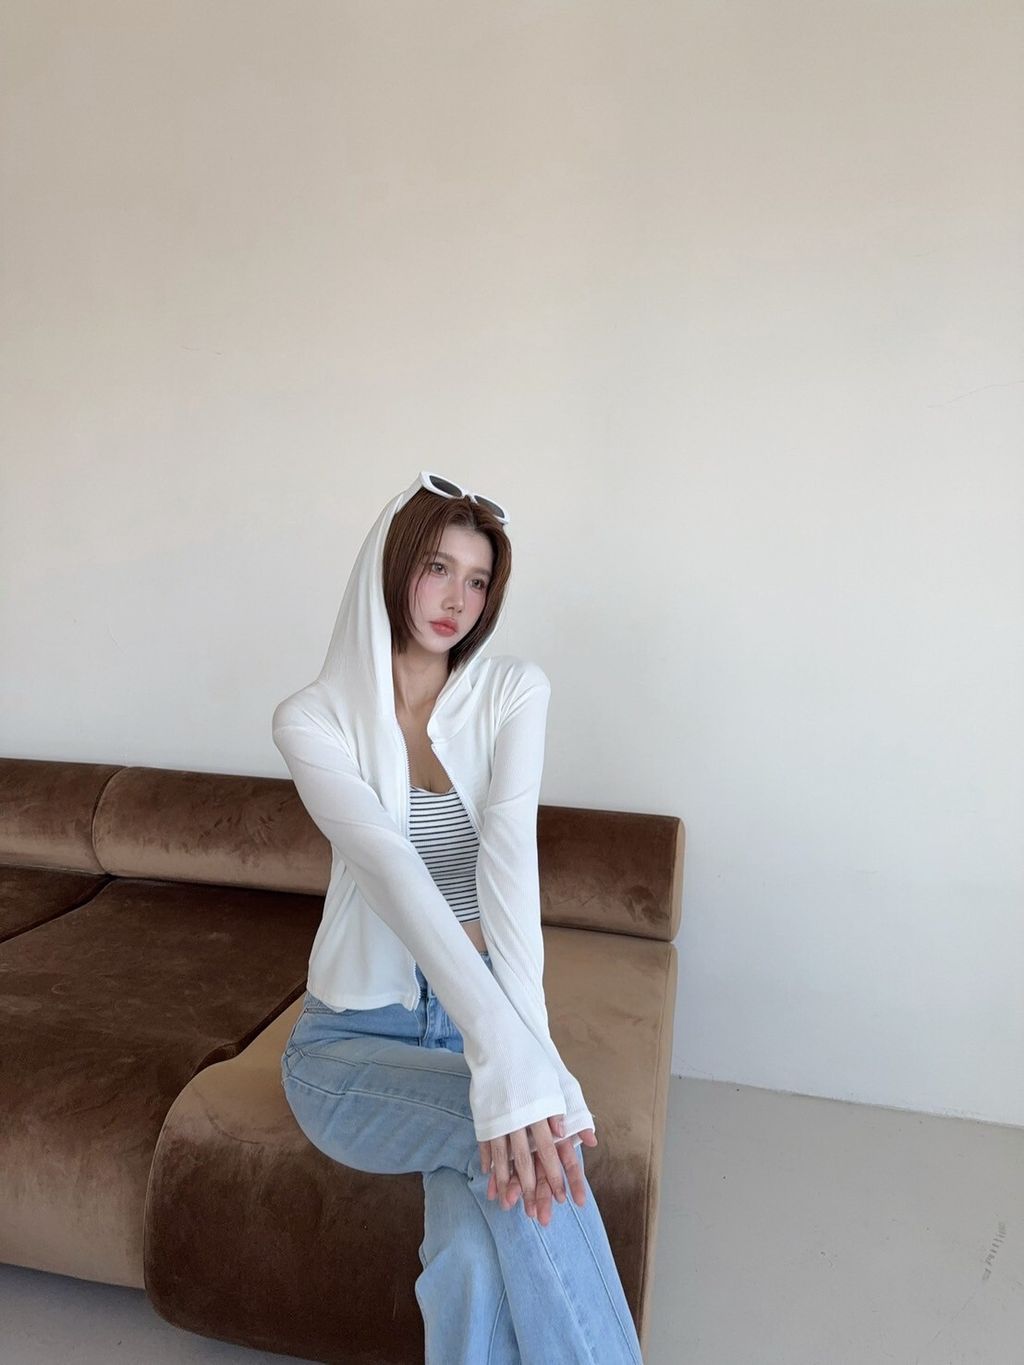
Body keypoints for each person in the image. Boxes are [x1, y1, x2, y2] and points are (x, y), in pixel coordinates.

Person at [273, 470, 643, 1365]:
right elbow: (395, 876)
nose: (456, 599)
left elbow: (511, 871)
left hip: (470, 1022)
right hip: (348, 1046)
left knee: (476, 1251)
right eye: (437, 567)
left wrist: (532, 1057)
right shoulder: (312, 721)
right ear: (393, 563)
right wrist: (517, 1073)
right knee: (537, 1144)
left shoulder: (513, 691)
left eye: (477, 580)